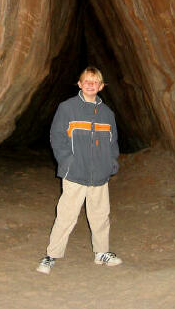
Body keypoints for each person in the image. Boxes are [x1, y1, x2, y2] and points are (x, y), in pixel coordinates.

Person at [37, 66, 122, 274]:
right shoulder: (67, 108)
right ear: (80, 84)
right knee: (66, 215)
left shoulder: (107, 113)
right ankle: (51, 255)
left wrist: (111, 162)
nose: (90, 85)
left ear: (101, 86)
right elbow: (57, 137)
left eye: (95, 82)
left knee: (100, 215)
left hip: (99, 175)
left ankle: (101, 252)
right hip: (75, 173)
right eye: (87, 81)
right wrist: (66, 162)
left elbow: (113, 142)